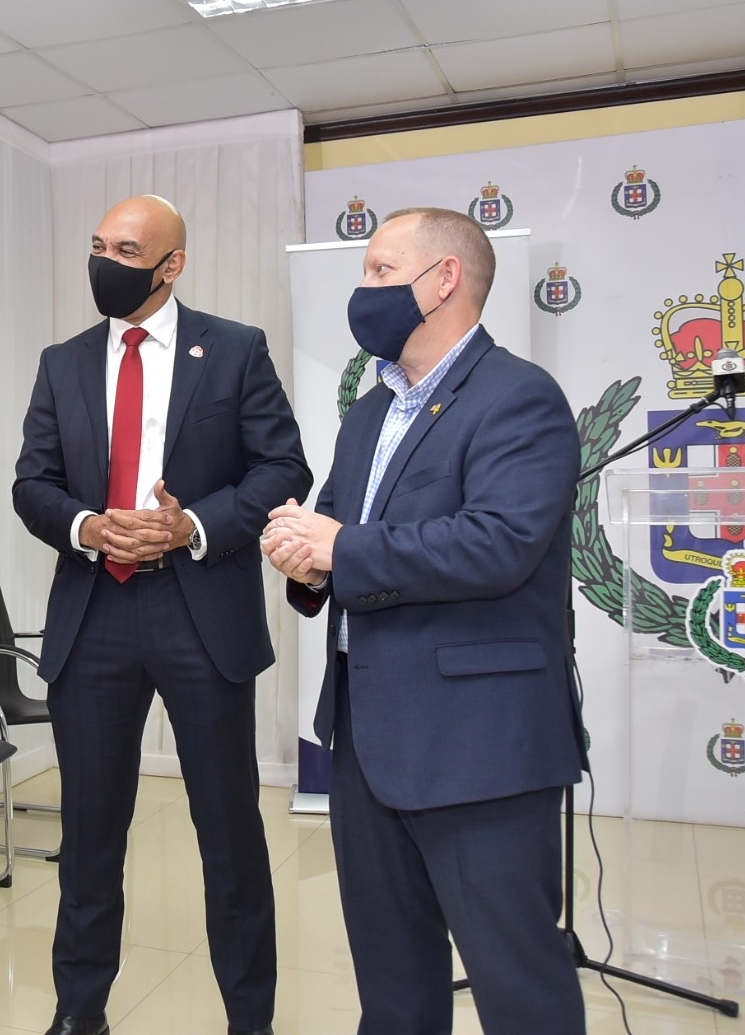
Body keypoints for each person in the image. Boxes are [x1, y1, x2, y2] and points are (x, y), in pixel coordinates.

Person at [262, 207, 588, 1033]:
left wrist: (340, 548)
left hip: (479, 744)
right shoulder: (372, 409)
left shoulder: (520, 397)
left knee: (517, 983)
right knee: (393, 981)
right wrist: (305, 558)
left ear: (444, 279)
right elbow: (339, 525)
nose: (363, 290)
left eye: (379, 271)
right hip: (367, 739)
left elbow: (500, 543)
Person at [13, 195, 310, 1035]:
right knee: (90, 838)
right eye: (99, 245)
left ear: (172, 264)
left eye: (129, 248)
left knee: (229, 837)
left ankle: (250, 1020)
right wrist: (85, 524)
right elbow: (32, 482)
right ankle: (80, 1015)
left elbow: (284, 464)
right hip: (94, 614)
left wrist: (193, 524)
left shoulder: (236, 350)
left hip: (199, 615)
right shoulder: (62, 362)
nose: (107, 260)